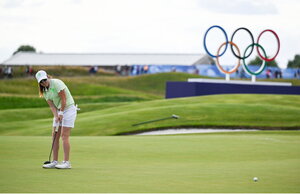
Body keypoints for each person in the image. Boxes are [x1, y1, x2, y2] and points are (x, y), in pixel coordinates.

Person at [36, 70, 77, 169]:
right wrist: (56, 116)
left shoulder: (57, 83)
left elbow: (64, 99)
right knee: (54, 135)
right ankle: (54, 161)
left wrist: (61, 112)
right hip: (59, 111)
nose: (44, 82)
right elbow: (52, 106)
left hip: (69, 109)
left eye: (45, 80)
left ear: (47, 77)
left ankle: (66, 162)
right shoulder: (45, 92)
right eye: (41, 82)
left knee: (64, 135)